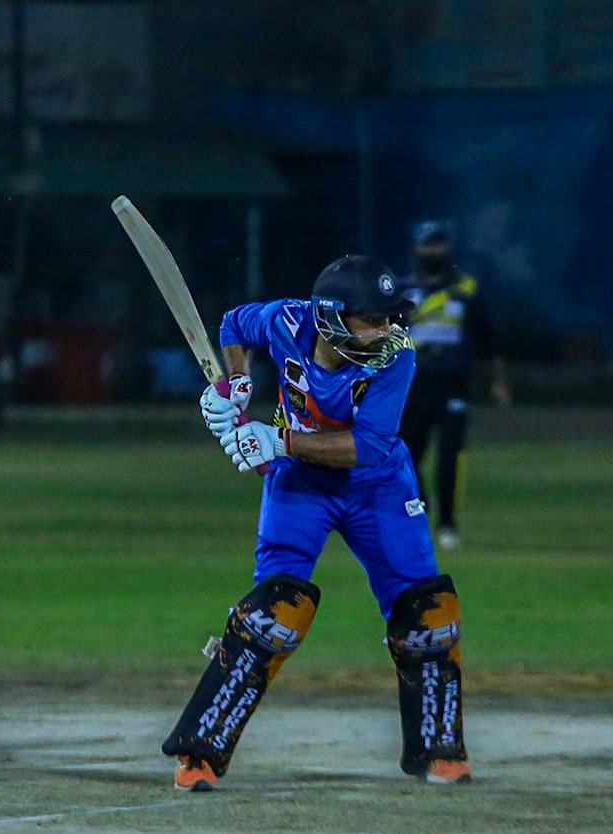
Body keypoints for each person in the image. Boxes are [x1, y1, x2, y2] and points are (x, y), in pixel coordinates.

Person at [167, 254, 473, 792]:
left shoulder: (397, 356)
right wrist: (235, 384)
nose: (385, 330)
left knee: (427, 611)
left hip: (377, 485)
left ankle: (439, 751)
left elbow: (367, 446)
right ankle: (200, 752)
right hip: (300, 486)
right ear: (330, 316)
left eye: (388, 318)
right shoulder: (288, 320)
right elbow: (234, 325)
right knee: (271, 617)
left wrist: (276, 439)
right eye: (371, 320)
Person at [397, 220, 508, 551]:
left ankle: (447, 524)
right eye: (426, 244)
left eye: (438, 244)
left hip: (452, 383)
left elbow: (489, 340)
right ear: (415, 249)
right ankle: (419, 508)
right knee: (404, 455)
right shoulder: (402, 292)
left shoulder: (466, 289)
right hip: (411, 386)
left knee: (450, 457)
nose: (433, 251)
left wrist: (498, 381)